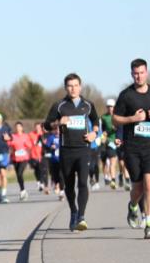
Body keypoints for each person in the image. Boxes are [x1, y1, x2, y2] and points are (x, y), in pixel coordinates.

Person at [113, 59, 150, 239]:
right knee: (137, 188)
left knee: (149, 184)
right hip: (132, 148)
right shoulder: (126, 95)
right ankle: (133, 206)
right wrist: (131, 119)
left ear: (147, 73)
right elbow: (116, 120)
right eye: (135, 73)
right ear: (132, 74)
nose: (139, 76)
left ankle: (149, 225)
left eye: (142, 72)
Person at [43, 73, 100, 230]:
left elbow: (96, 121)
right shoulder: (59, 106)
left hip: (83, 149)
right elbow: (46, 125)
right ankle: (73, 211)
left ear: (80, 87)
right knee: (69, 186)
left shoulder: (88, 104)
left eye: (75, 85)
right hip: (66, 150)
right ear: (65, 88)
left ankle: (81, 217)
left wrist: (94, 133)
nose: (73, 88)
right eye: (70, 86)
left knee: (83, 182)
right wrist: (57, 123)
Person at [8, 121, 33, 201]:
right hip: (15, 158)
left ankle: (22, 191)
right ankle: (23, 190)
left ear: (22, 128)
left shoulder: (26, 136)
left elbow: (30, 145)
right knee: (18, 176)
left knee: (20, 173)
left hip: (24, 158)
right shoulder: (13, 136)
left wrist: (26, 143)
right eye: (16, 127)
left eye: (19, 127)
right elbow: (9, 144)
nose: (18, 128)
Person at [0, 113, 12, 203]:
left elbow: (11, 137)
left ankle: (4, 195)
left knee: (3, 173)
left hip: (4, 153)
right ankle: (0, 194)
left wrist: (8, 138)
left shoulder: (6, 128)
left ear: (1, 121)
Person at [100, 99, 119, 188]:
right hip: (110, 142)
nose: (110, 108)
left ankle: (123, 177)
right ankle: (113, 180)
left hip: (120, 141)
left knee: (123, 163)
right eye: (108, 107)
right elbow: (102, 131)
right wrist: (104, 137)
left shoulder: (119, 116)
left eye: (111, 107)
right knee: (112, 162)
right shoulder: (104, 117)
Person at [29, 123, 48, 193]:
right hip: (33, 155)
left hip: (42, 155)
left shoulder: (43, 135)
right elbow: (28, 143)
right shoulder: (31, 134)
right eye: (36, 127)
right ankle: (38, 181)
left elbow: (46, 144)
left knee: (43, 169)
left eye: (39, 127)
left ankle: (44, 184)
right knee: (36, 169)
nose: (37, 128)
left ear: (41, 128)